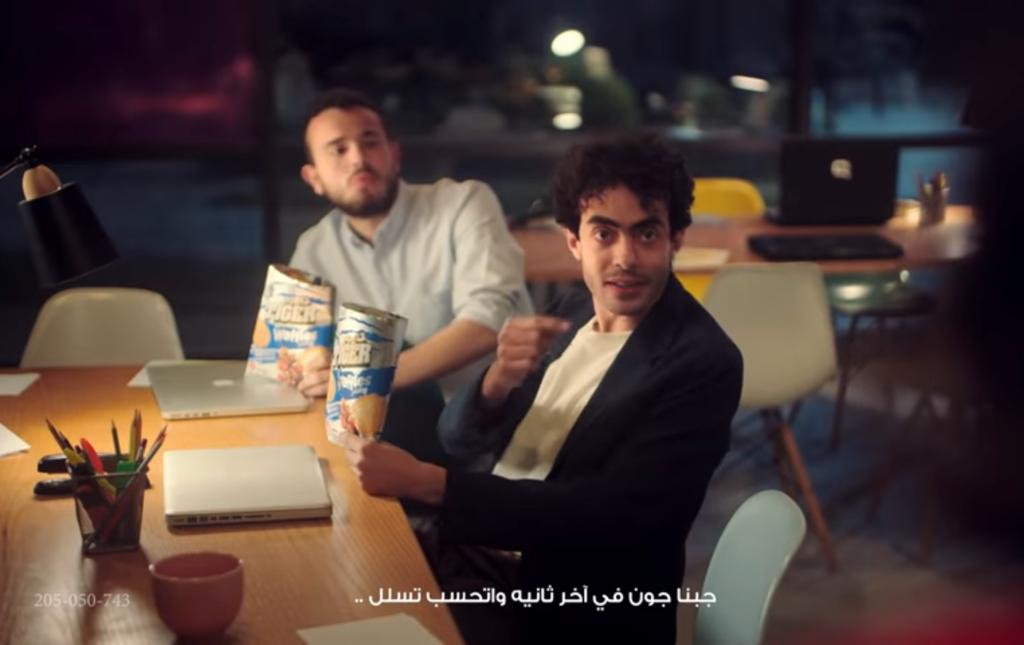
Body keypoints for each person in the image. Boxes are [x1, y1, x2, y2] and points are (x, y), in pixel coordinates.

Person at [342, 135, 743, 643]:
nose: (625, 257)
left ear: (675, 239)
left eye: (646, 233)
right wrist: (496, 382)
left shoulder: (702, 361)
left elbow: (613, 517)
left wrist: (429, 484)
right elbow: (457, 439)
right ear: (574, 241)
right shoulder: (573, 311)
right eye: (604, 234)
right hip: (478, 562)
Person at [289, 88, 532, 401]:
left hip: (485, 415)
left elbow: (489, 321)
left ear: (394, 154)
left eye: (370, 142)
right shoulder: (312, 249)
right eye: (339, 150)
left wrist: (373, 377)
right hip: (368, 423)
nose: (358, 158)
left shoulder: (463, 204)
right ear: (314, 179)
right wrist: (313, 367)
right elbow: (298, 353)